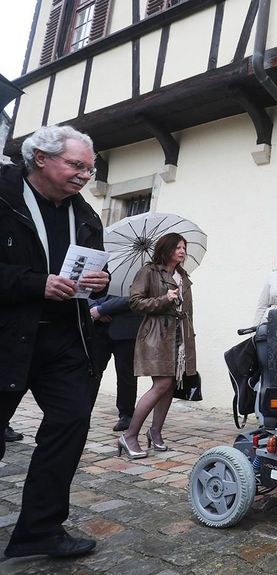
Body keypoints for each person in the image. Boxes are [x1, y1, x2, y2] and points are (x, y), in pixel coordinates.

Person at [0, 125, 110, 558]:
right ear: (40, 159)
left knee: (69, 425)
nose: (86, 174)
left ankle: (40, 531)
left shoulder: (86, 215)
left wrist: (97, 283)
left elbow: (93, 275)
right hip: (7, 338)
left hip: (64, 339)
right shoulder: (3, 199)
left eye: (90, 167)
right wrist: (34, 284)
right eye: (77, 165)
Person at [119, 233, 196, 459]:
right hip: (157, 335)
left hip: (180, 336)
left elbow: (188, 311)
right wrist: (165, 298)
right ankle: (130, 435)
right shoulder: (149, 271)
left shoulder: (183, 276)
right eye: (178, 247)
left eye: (184, 247)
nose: (182, 251)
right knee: (161, 385)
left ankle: (155, 432)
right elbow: (134, 302)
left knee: (170, 386)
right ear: (167, 248)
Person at [89, 295, 143, 431]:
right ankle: (82, 413)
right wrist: (92, 307)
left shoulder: (138, 274)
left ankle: (126, 415)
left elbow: (134, 296)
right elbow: (81, 289)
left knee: (126, 375)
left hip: (125, 326)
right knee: (91, 373)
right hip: (97, 327)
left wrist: (102, 309)